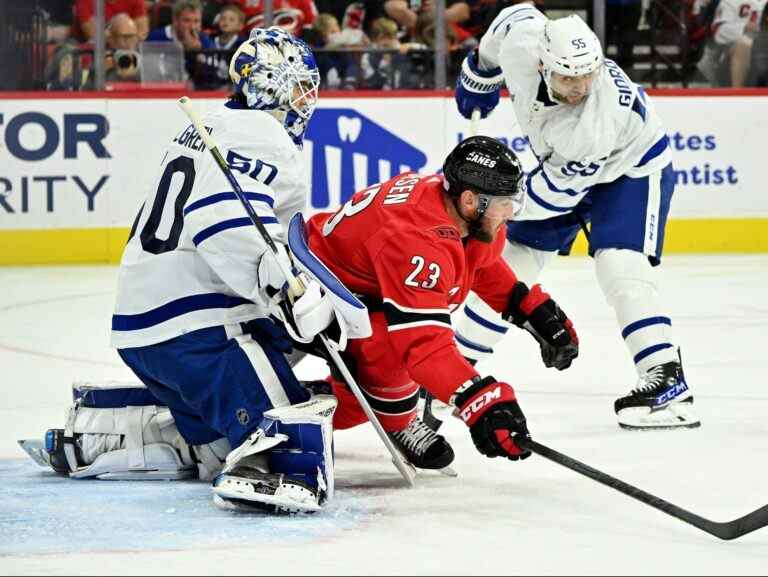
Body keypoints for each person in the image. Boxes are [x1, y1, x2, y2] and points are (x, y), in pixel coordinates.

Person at [37, 28, 338, 515]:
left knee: (217, 445)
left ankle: (112, 434)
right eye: (301, 85)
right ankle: (255, 454)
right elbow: (222, 219)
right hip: (200, 328)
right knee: (291, 444)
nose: (308, 99)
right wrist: (289, 290)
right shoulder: (266, 136)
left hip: (144, 329)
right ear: (273, 86)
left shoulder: (212, 122)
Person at [453, 4, 701, 430]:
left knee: (619, 265)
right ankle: (455, 369)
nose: (581, 86)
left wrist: (486, 210)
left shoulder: (594, 124)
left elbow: (550, 197)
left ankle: (666, 379)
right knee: (510, 266)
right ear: (542, 63)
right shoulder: (522, 38)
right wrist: (478, 72)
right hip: (560, 167)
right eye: (569, 76)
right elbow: (504, 26)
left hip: (632, 169)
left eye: (589, 74)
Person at [302, 136, 579, 466]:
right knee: (383, 370)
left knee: (392, 375)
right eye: (504, 202)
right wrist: (482, 403)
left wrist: (532, 310)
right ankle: (377, 417)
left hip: (362, 280)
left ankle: (363, 404)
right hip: (321, 289)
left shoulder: (454, 210)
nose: (511, 212)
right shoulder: (417, 238)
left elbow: (478, 265)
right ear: (469, 199)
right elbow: (424, 345)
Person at [697, 0, 766, 86]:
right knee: (743, 44)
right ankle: (736, 95)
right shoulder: (731, 1)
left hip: (763, 54)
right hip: (730, 60)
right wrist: (744, 26)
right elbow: (718, 31)